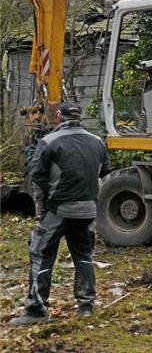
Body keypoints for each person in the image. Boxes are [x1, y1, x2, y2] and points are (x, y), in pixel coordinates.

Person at [9, 102, 112, 327]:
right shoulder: (97, 142)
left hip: (59, 210)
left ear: (58, 117)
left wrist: (41, 210)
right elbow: (104, 172)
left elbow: (37, 178)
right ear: (79, 117)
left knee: (40, 254)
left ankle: (36, 310)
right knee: (84, 256)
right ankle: (86, 306)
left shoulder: (48, 142)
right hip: (88, 211)